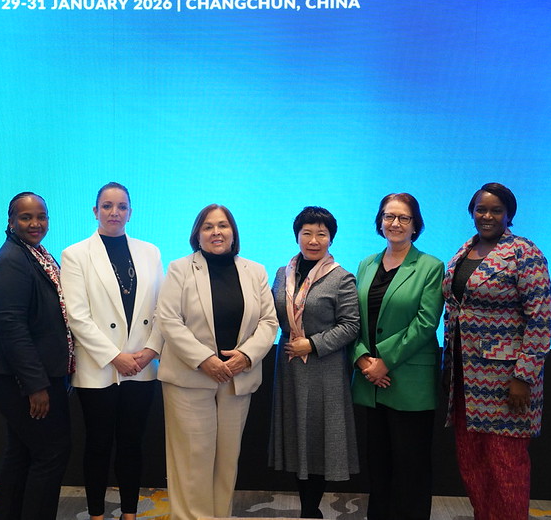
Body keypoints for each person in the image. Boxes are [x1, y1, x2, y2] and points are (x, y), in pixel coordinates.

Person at [156, 204, 278, 520]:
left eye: (223, 225)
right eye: (208, 226)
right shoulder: (180, 269)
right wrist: (204, 359)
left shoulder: (255, 271)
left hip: (237, 378)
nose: (216, 232)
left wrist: (246, 356)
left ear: (233, 232)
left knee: (226, 460)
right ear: (197, 234)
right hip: (189, 378)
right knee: (192, 461)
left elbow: (269, 321)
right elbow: (168, 319)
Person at [442, 183, 551, 520]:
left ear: (509, 215)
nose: (487, 216)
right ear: (471, 212)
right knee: (473, 464)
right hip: (465, 380)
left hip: (506, 382)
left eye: (496, 210)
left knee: (506, 468)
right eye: (481, 209)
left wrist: (524, 377)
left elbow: (540, 318)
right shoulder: (465, 250)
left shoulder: (524, 253)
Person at [60, 182, 164, 520]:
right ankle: (96, 514)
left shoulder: (150, 252)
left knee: (132, 444)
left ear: (131, 212)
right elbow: (77, 316)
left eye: (121, 206)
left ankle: (130, 513)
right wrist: (115, 356)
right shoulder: (75, 254)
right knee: (98, 444)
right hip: (98, 368)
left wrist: (150, 350)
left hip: (142, 366)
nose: (114, 212)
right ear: (95, 211)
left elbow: (163, 309)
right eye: (107, 206)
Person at [0, 192, 73, 520]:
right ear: (10, 221)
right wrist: (36, 386)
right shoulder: (10, 262)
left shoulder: (35, 254)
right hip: (19, 376)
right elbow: (12, 329)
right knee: (51, 452)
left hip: (34, 372)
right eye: (26, 217)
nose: (35, 223)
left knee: (22, 451)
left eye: (41, 216)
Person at [350, 193, 444, 520]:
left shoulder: (431, 266)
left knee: (411, 466)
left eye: (404, 218)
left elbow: (426, 322)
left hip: (409, 381)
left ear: (415, 224)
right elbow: (353, 319)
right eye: (389, 216)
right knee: (379, 464)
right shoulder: (366, 264)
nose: (395, 223)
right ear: (380, 222)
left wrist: (385, 361)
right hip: (371, 381)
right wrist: (362, 359)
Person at [268, 206, 360, 518]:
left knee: (320, 439)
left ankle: (310, 510)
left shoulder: (341, 278)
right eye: (306, 233)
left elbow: (351, 326)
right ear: (297, 236)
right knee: (296, 437)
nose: (313, 240)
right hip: (289, 367)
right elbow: (271, 313)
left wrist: (312, 343)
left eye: (321, 234)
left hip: (325, 368)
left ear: (331, 238)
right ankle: (307, 507)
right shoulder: (283, 274)